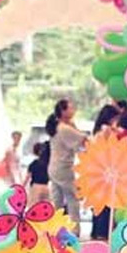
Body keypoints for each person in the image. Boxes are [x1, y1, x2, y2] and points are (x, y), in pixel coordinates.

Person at [46, 99, 87, 235]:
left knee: (57, 200)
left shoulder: (57, 127)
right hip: (64, 168)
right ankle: (74, 230)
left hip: (53, 167)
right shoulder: (65, 128)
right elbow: (84, 140)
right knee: (72, 198)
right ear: (63, 111)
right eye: (70, 108)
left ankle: (56, 229)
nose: (73, 110)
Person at [90, 105, 120, 240]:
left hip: (95, 170)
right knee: (106, 202)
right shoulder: (107, 130)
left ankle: (96, 231)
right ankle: (103, 232)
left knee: (97, 202)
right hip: (105, 169)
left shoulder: (96, 131)